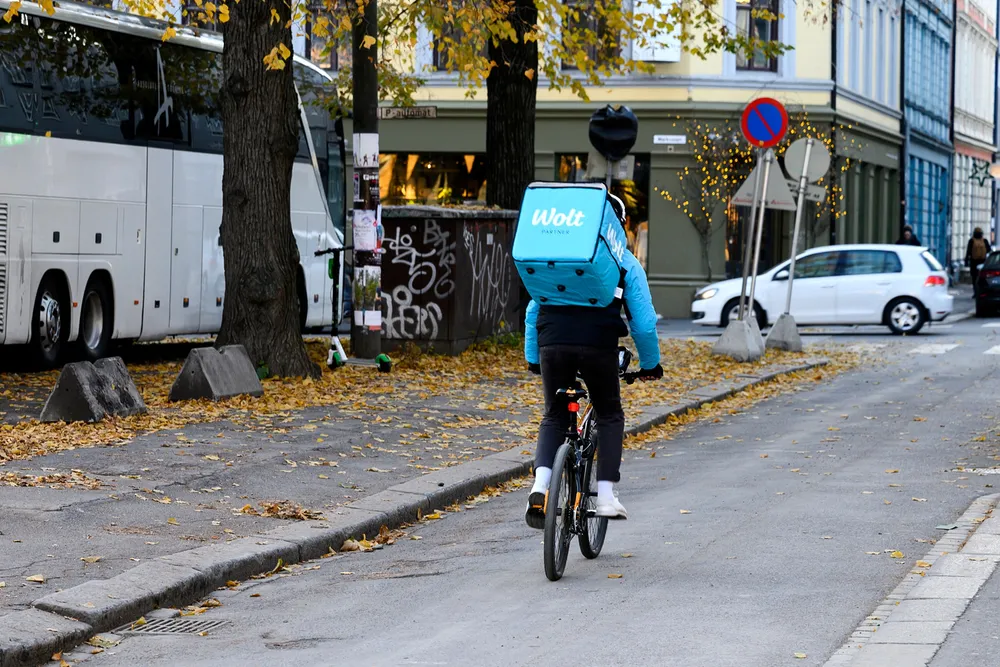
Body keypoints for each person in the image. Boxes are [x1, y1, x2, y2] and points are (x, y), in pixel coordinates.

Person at [522, 194, 663, 527]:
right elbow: (644, 323)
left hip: (552, 341)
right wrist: (651, 365)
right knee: (610, 413)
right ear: (619, 225)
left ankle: (540, 486)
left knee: (554, 415)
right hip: (599, 344)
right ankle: (606, 496)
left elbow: (533, 310)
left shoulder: (559, 255)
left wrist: (533, 358)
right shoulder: (624, 261)